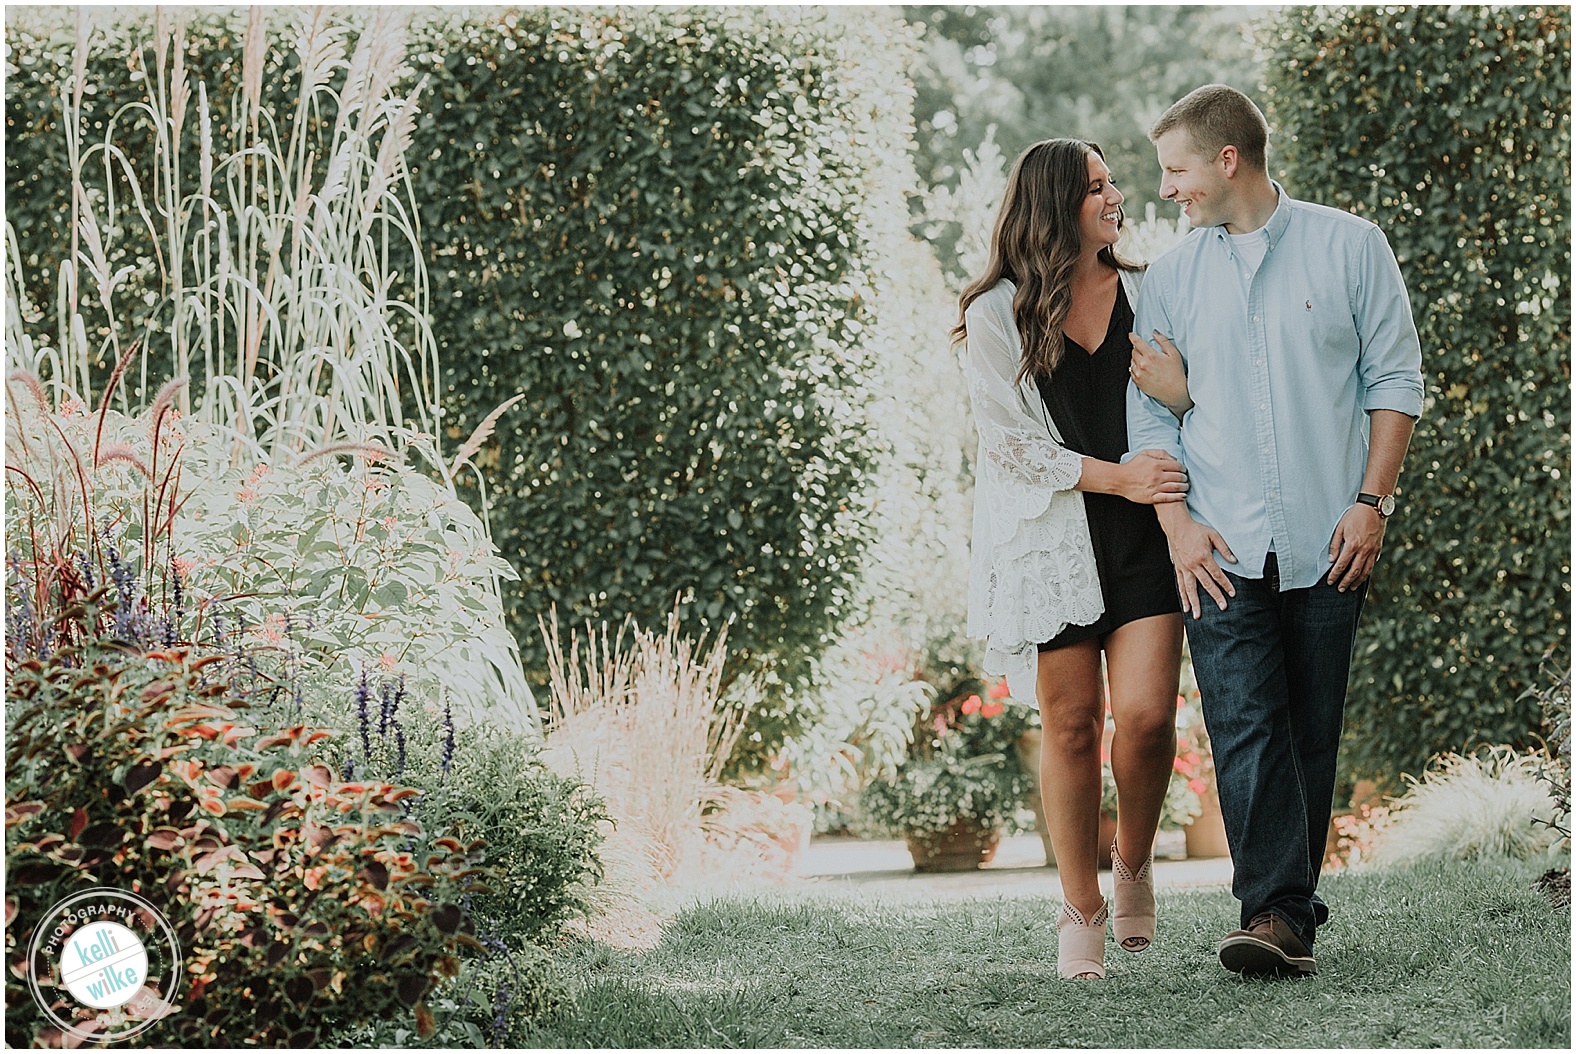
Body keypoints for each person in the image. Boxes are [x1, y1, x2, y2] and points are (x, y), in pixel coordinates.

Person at [1126, 84, 1424, 977]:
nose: (1169, 189)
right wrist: (1176, 525)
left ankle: (1285, 914)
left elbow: (1395, 379)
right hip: (1215, 545)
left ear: (1228, 160)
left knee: (1310, 726)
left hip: (1332, 534)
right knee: (1244, 721)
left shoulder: (1350, 246)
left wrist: (1371, 504)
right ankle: (1274, 915)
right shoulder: (1172, 276)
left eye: (1176, 169)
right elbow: (1152, 420)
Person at [957, 139, 1194, 981]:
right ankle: (1080, 903)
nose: (1116, 196)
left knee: (1148, 718)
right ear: (1056, 204)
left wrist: (1152, 481)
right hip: (1052, 546)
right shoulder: (996, 314)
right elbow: (1009, 447)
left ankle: (1133, 863)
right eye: (1096, 187)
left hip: (1143, 541)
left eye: (1112, 182)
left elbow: (1187, 393)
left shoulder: (1150, 290)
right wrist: (1116, 479)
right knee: (1069, 727)